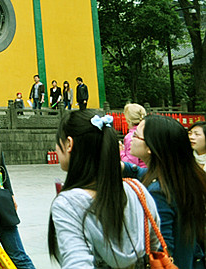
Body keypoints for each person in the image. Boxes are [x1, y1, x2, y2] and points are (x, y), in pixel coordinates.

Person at [49, 110, 159, 269]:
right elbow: (154, 245)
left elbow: (77, 263)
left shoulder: (69, 203)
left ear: (69, 144)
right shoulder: (137, 189)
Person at [124, 114, 206, 269]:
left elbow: (162, 249)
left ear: (150, 147)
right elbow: (139, 172)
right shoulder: (179, 176)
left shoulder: (158, 192)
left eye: (136, 135)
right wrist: (121, 166)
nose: (131, 139)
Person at [120, 103, 146, 167]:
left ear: (128, 120)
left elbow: (131, 164)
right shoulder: (148, 131)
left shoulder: (131, 137)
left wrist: (121, 151)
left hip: (139, 173)